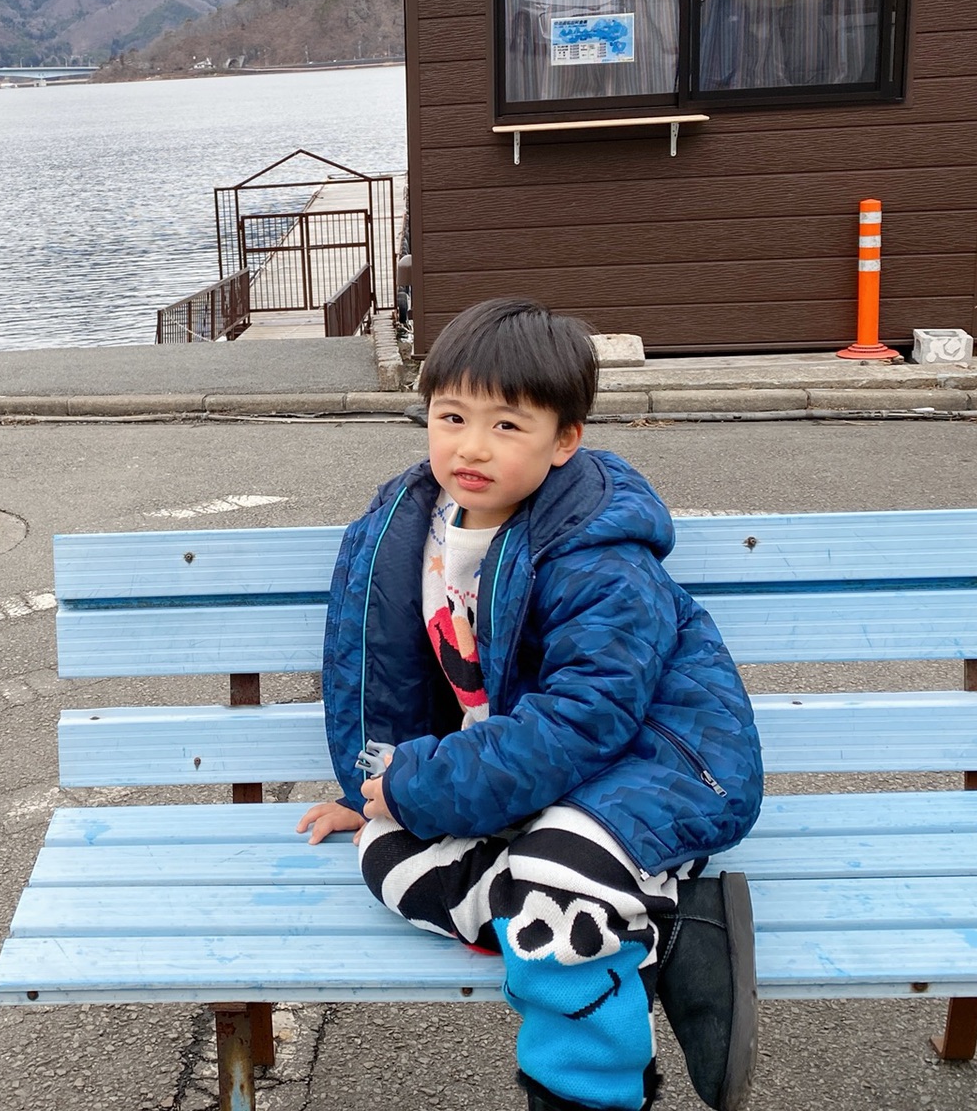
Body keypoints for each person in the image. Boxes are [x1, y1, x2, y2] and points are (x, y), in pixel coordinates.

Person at [295, 297, 763, 1111]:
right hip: (523, 776)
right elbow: (392, 676)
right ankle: (673, 928)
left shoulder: (598, 552)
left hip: (658, 766)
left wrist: (427, 784)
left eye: (508, 426)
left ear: (564, 440)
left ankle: (586, 1090)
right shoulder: (417, 526)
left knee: (552, 889)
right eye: (451, 416)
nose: (471, 447)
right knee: (387, 857)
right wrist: (370, 791)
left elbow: (589, 718)